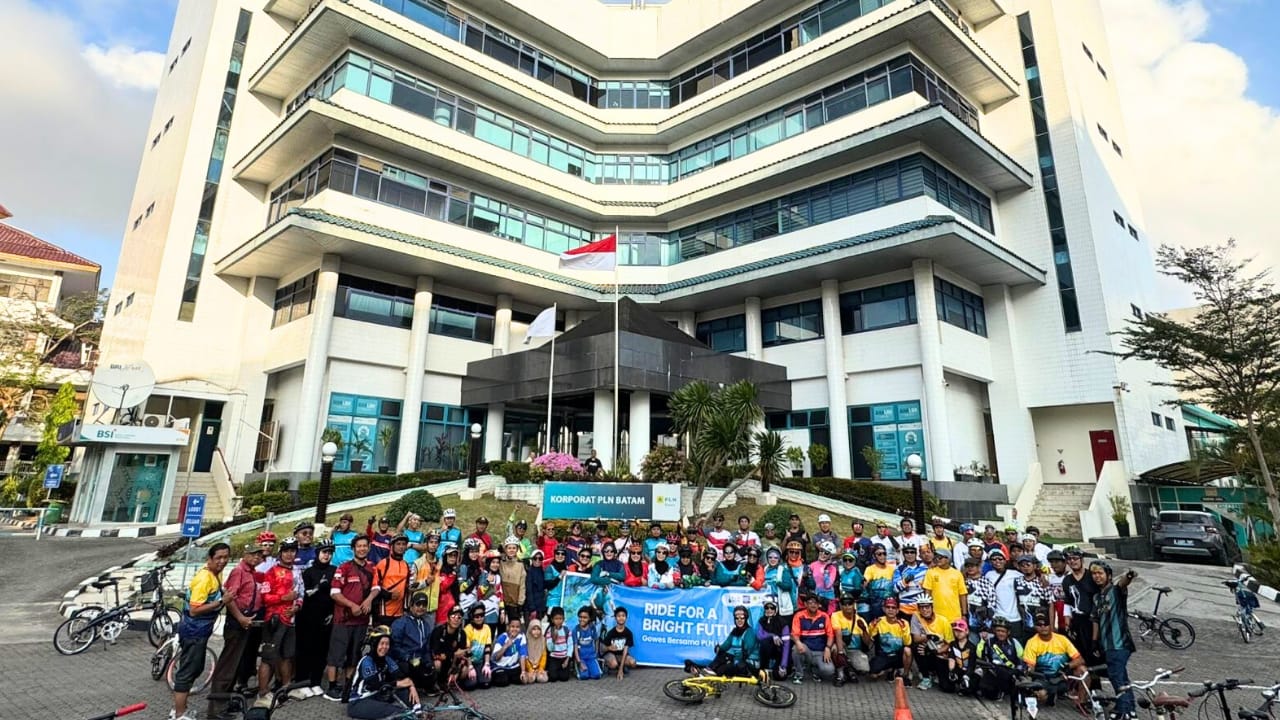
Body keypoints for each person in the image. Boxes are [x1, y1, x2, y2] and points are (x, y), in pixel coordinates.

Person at [170, 543, 230, 720]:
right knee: (187, 672)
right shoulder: (205, 579)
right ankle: (179, 713)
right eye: (218, 557)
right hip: (193, 632)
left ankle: (182, 709)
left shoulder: (215, 575)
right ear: (209, 559)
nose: (223, 561)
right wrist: (221, 602)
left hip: (200, 632)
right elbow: (195, 609)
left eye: (226, 557)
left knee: (195, 669)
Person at [207, 543, 263, 719]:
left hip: (247, 621)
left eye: (259, 555)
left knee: (236, 665)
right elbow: (229, 598)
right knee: (228, 665)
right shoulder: (239, 571)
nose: (256, 557)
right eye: (253, 554)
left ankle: (225, 702)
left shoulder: (252, 573)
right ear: (245, 555)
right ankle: (216, 710)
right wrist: (240, 617)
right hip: (237, 622)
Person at [325, 535, 375, 702]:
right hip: (343, 619)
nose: (362, 549)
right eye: (359, 546)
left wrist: (368, 601)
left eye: (365, 546)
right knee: (336, 655)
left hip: (361, 621)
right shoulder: (344, 567)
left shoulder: (371, 567)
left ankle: (348, 685)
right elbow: (334, 593)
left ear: (368, 548)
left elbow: (376, 588)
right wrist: (352, 605)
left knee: (354, 655)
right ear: (353, 549)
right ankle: (331, 687)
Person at [259, 537, 304, 705]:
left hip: (291, 619)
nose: (289, 554)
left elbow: (300, 594)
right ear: (280, 553)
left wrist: (297, 606)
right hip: (274, 619)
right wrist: (284, 597)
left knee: (287, 656)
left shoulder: (298, 571)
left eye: (292, 551)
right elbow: (264, 597)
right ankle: (263, 693)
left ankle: (285, 689)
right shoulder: (271, 571)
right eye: (286, 551)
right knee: (268, 658)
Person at [1092, 561, 1137, 719]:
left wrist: (1129, 576)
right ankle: (1130, 707)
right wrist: (1094, 641)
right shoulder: (1097, 597)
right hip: (1106, 645)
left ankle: (1124, 711)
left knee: (1116, 676)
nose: (1097, 577)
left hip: (1120, 643)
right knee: (1121, 676)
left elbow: (1123, 584)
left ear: (1108, 575)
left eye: (1100, 573)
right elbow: (1096, 620)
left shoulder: (1115, 591)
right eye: (1094, 574)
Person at [347, 625, 419, 720]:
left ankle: (417, 709)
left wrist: (411, 686)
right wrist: (398, 683)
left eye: (387, 644)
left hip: (377, 696)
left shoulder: (387, 659)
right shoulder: (367, 661)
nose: (384, 647)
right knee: (396, 712)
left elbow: (400, 676)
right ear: (375, 644)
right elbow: (374, 684)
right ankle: (407, 714)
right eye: (381, 643)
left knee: (403, 688)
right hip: (359, 702)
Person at [297, 540, 337, 697]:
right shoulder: (308, 572)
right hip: (307, 617)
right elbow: (303, 594)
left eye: (329, 553)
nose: (327, 555)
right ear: (317, 553)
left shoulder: (335, 570)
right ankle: (302, 680)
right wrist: (318, 587)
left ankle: (316, 681)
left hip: (326, 617)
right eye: (324, 552)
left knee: (321, 651)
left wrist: (333, 613)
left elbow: (337, 593)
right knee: (305, 650)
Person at [1023, 612, 1085, 704]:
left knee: (1083, 670)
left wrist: (1068, 666)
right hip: (1043, 679)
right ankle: (1051, 695)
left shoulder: (1062, 639)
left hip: (1062, 676)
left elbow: (1080, 659)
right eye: (1039, 625)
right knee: (1041, 696)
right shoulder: (1031, 642)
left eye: (1046, 624)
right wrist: (1029, 670)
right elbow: (1030, 667)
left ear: (1050, 625)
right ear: (1035, 627)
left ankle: (1081, 702)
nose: (1043, 627)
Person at [1061, 546, 1101, 666]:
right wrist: (1067, 623)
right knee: (1081, 654)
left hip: (1093, 621)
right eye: (1069, 559)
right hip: (1078, 622)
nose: (1072, 561)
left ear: (1081, 559)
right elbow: (1067, 602)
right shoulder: (1067, 580)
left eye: (1075, 558)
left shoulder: (1092, 576)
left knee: (1096, 653)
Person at [391, 591, 437, 692]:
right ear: (411, 606)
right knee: (407, 668)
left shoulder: (425, 625)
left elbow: (426, 648)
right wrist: (408, 657)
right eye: (418, 604)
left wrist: (429, 663)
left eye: (424, 605)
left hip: (419, 661)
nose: (421, 607)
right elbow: (394, 646)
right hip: (405, 660)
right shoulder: (401, 623)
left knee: (433, 669)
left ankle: (422, 684)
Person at [908, 594, 953, 691]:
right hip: (928, 649)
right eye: (922, 608)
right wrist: (929, 637)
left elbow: (949, 643)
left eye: (927, 607)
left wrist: (937, 651)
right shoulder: (916, 616)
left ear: (932, 607)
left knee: (946, 687)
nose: (924, 610)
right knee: (917, 647)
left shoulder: (943, 621)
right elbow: (916, 638)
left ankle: (936, 673)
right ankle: (926, 677)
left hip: (941, 653)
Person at [975, 617, 1025, 701]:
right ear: (994, 631)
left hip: (1009, 673)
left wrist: (1018, 672)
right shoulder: (989, 641)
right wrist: (982, 641)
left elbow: (1021, 659)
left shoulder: (1014, 643)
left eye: (1003, 631)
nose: (1000, 634)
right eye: (998, 631)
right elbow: (980, 654)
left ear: (1008, 632)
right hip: (993, 672)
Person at [791, 593, 835, 684]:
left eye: (815, 603)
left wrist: (828, 648)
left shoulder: (824, 616)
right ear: (805, 604)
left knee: (829, 671)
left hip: (820, 651)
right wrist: (798, 642)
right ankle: (799, 674)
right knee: (796, 648)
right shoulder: (799, 616)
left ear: (819, 605)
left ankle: (815, 671)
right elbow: (794, 634)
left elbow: (830, 635)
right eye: (810, 602)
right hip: (806, 650)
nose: (813, 605)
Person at [868, 597, 913, 683]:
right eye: (888, 607)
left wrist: (903, 629)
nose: (890, 610)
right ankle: (890, 669)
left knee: (908, 650)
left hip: (899, 655)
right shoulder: (879, 621)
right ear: (884, 609)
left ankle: (905, 674)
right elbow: (871, 638)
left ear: (897, 610)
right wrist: (872, 626)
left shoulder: (904, 622)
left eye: (893, 608)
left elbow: (908, 642)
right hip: (885, 654)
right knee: (873, 675)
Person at [371, 535, 412, 627]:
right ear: (391, 546)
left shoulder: (406, 565)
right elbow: (374, 586)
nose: (401, 547)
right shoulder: (383, 563)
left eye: (403, 544)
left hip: (399, 613)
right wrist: (388, 595)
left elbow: (407, 587)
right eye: (398, 544)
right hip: (383, 612)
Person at [831, 594, 871, 686]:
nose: (847, 606)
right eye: (844, 604)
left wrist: (864, 630)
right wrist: (840, 652)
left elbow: (868, 643)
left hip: (855, 650)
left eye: (850, 603)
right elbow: (838, 633)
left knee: (865, 669)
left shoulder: (860, 619)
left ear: (854, 605)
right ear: (840, 605)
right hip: (842, 648)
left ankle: (849, 670)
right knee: (834, 649)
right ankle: (840, 673)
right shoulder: (836, 616)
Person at [984, 550, 1023, 642]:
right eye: (994, 559)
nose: (997, 561)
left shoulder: (1015, 574)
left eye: (1000, 559)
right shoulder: (988, 575)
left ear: (1005, 561)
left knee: (1016, 645)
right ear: (990, 562)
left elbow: (1029, 578)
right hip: (997, 616)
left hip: (1014, 616)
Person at [710, 605, 758, 677]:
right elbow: (726, 645)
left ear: (746, 619)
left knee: (723, 669)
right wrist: (719, 649)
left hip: (749, 664)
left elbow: (746, 653)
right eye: (737, 618)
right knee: (722, 654)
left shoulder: (749, 632)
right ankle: (710, 669)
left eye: (742, 618)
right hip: (739, 661)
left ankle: (713, 671)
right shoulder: (735, 631)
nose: (739, 620)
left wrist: (733, 662)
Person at [924, 551, 968, 629]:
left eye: (940, 557)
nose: (937, 559)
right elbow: (927, 593)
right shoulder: (930, 572)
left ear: (948, 559)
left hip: (954, 615)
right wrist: (928, 612)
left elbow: (962, 594)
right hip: (936, 615)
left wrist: (964, 614)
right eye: (936, 557)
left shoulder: (957, 573)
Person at [428, 606, 468, 691]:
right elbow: (436, 652)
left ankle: (453, 682)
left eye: (459, 617)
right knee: (437, 663)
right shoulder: (439, 631)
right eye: (453, 616)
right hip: (441, 661)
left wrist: (456, 670)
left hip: (453, 662)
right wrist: (453, 654)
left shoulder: (462, 634)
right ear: (448, 618)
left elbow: (462, 653)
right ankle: (435, 683)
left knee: (465, 669)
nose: (456, 619)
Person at [756, 600, 791, 680]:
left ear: (776, 609)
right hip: (768, 650)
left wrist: (783, 665)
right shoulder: (761, 621)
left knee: (779, 677)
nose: (769, 610)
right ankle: (763, 669)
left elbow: (786, 645)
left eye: (772, 608)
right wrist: (773, 635)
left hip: (781, 652)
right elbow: (759, 636)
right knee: (765, 643)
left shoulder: (783, 623)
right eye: (766, 607)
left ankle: (786, 667)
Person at [462, 606, 494, 689]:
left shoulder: (487, 628)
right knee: (470, 685)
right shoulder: (467, 629)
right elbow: (467, 650)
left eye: (482, 615)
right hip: (469, 662)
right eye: (476, 616)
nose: (480, 618)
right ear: (471, 617)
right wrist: (470, 666)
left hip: (480, 662)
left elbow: (487, 648)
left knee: (485, 684)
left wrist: (487, 664)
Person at [893, 545, 928, 619]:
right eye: (907, 552)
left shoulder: (924, 567)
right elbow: (895, 589)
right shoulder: (899, 569)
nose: (909, 555)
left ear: (916, 554)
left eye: (912, 552)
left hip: (921, 608)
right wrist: (906, 581)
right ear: (903, 554)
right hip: (905, 609)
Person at [601, 606, 636, 678]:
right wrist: (608, 648)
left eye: (623, 616)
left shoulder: (628, 633)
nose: (621, 618)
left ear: (626, 618)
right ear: (615, 618)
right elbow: (602, 648)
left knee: (633, 663)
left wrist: (620, 670)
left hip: (621, 655)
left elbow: (625, 651)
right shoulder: (611, 633)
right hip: (610, 654)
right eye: (619, 616)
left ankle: (621, 666)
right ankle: (607, 666)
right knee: (613, 664)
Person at [862, 545, 896, 620]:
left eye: (884, 553)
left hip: (890, 604)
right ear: (874, 556)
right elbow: (865, 582)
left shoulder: (892, 569)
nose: (882, 556)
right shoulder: (870, 569)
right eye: (879, 554)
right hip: (876, 604)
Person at [762, 547, 797, 619]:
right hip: (768, 604)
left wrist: (777, 582)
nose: (772, 559)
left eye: (775, 557)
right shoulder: (766, 569)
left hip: (781, 605)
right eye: (770, 557)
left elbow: (788, 586)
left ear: (779, 559)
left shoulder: (783, 569)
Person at [490, 617, 526, 687]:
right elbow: (495, 657)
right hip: (499, 666)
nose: (515, 629)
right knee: (503, 682)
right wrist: (506, 646)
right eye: (512, 627)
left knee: (523, 679)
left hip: (512, 666)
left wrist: (523, 671)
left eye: (517, 627)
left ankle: (510, 677)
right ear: (508, 627)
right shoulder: (502, 637)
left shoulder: (521, 636)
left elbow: (522, 655)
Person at [499, 537, 527, 623]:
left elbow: (522, 585)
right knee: (501, 627)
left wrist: (520, 602)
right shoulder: (501, 563)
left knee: (513, 627)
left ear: (517, 549)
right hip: (502, 602)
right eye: (509, 548)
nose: (511, 550)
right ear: (505, 549)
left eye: (514, 548)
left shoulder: (520, 565)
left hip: (514, 603)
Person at [947, 619, 977, 696]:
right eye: (956, 631)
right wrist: (952, 671)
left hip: (968, 671)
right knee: (947, 686)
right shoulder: (953, 644)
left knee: (968, 689)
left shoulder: (971, 647)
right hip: (958, 669)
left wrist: (966, 676)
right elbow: (951, 658)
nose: (958, 633)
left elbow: (972, 664)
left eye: (961, 631)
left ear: (966, 631)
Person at [572, 605, 602, 680]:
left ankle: (592, 667)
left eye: (585, 617)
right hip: (581, 658)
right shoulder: (576, 630)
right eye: (580, 617)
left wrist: (595, 654)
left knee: (597, 675)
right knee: (584, 676)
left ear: (589, 618)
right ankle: (577, 670)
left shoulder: (592, 628)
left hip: (591, 657)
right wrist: (579, 662)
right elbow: (575, 647)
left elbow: (596, 640)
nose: (582, 619)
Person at [545, 606, 574, 682]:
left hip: (564, 657)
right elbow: (549, 648)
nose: (558, 621)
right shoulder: (550, 631)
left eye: (560, 619)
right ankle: (551, 671)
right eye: (556, 619)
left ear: (563, 619)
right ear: (552, 619)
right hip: (554, 658)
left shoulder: (566, 630)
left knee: (564, 678)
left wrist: (567, 659)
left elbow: (570, 645)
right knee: (553, 678)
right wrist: (554, 639)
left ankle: (560, 671)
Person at [525, 549, 548, 620]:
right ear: (532, 559)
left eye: (540, 558)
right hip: (530, 608)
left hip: (540, 607)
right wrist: (532, 609)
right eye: (535, 558)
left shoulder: (543, 572)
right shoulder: (529, 572)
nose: (537, 560)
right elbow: (529, 591)